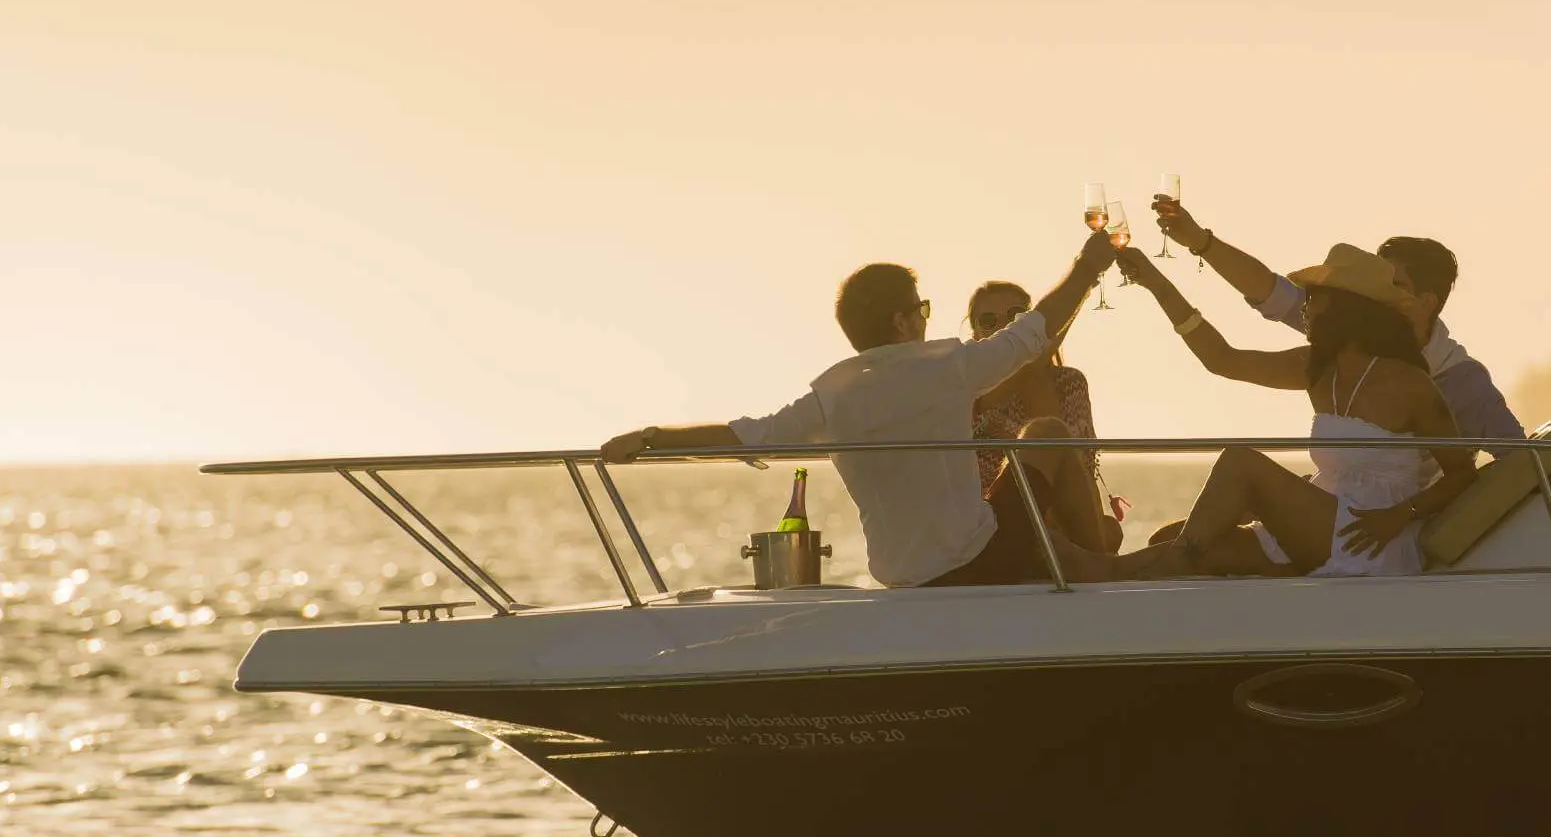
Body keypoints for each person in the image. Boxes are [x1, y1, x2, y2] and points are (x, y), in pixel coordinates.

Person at [600, 230, 1120, 587]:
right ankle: (1105, 573)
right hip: (977, 562)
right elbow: (1033, 332)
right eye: (921, 309)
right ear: (901, 321)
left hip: (903, 575)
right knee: (1046, 433)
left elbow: (744, 435)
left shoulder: (834, 393)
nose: (924, 318)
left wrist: (652, 437)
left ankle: (1077, 562)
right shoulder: (944, 366)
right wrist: (1087, 267)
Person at [1108, 243, 1478, 578]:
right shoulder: (1316, 368)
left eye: (1314, 300)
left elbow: (1461, 474)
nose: (1305, 309)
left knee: (1240, 463)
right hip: (1319, 522)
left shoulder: (1409, 382)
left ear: (1343, 310)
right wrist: (1156, 283)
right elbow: (1221, 359)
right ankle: (1098, 573)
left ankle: (1124, 572)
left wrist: (1401, 515)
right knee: (1171, 538)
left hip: (1369, 539)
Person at [1151, 199, 1525, 441]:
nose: (1376, 290)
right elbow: (1269, 292)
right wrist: (1199, 241)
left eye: (1393, 283)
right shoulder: (1352, 332)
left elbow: (1519, 464)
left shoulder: (1462, 381)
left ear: (1425, 301)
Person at [964, 281, 1121, 553]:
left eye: (1016, 318)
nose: (1005, 329)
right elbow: (1023, 369)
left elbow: (1078, 467)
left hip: (1063, 519)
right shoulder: (970, 392)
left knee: (1110, 530)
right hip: (996, 523)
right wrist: (1085, 279)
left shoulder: (1069, 382)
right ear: (975, 335)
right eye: (990, 321)